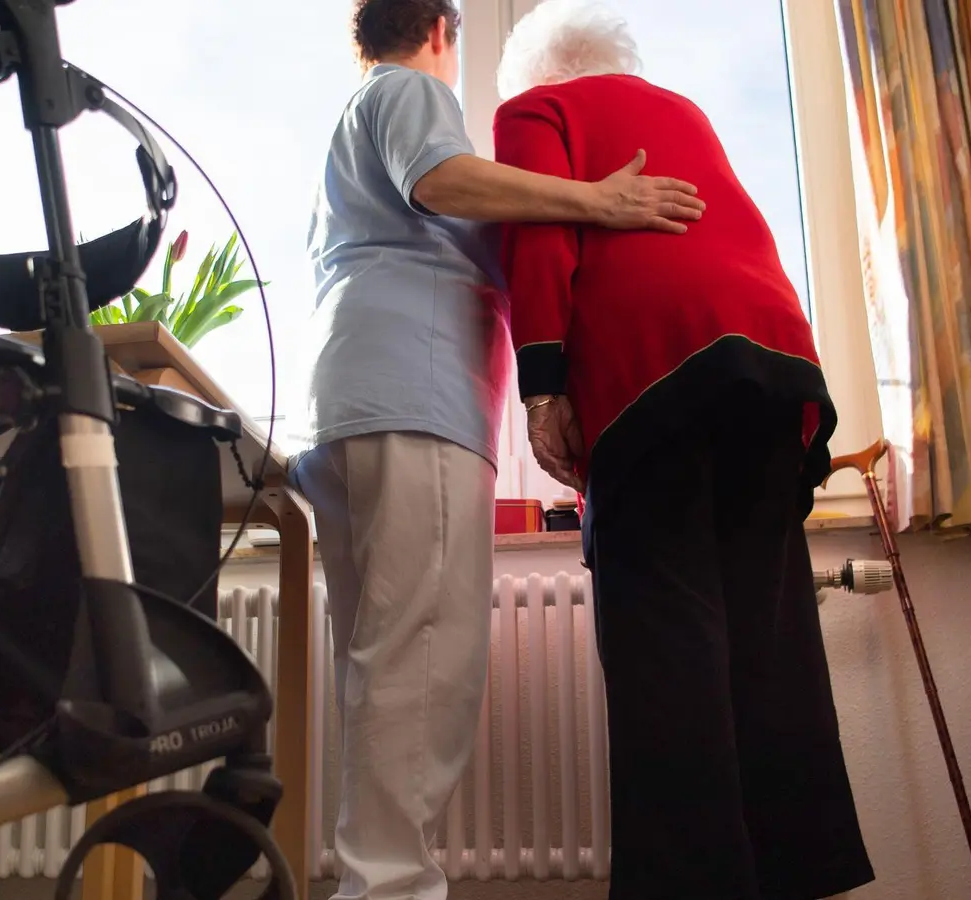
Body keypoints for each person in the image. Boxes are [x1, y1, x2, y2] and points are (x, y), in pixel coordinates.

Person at [288, 2, 705, 898]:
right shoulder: (407, 92)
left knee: (381, 666)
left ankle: (371, 883)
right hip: (411, 400)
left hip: (350, 404)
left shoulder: (350, 130)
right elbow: (445, 181)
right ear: (444, 27)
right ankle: (391, 890)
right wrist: (599, 199)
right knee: (426, 664)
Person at [492, 1, 876, 897]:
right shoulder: (684, 111)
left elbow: (540, 238)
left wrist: (543, 383)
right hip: (775, 370)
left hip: (654, 378)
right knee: (767, 642)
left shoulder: (534, 113)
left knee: (668, 647)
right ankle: (796, 874)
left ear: (535, 71)